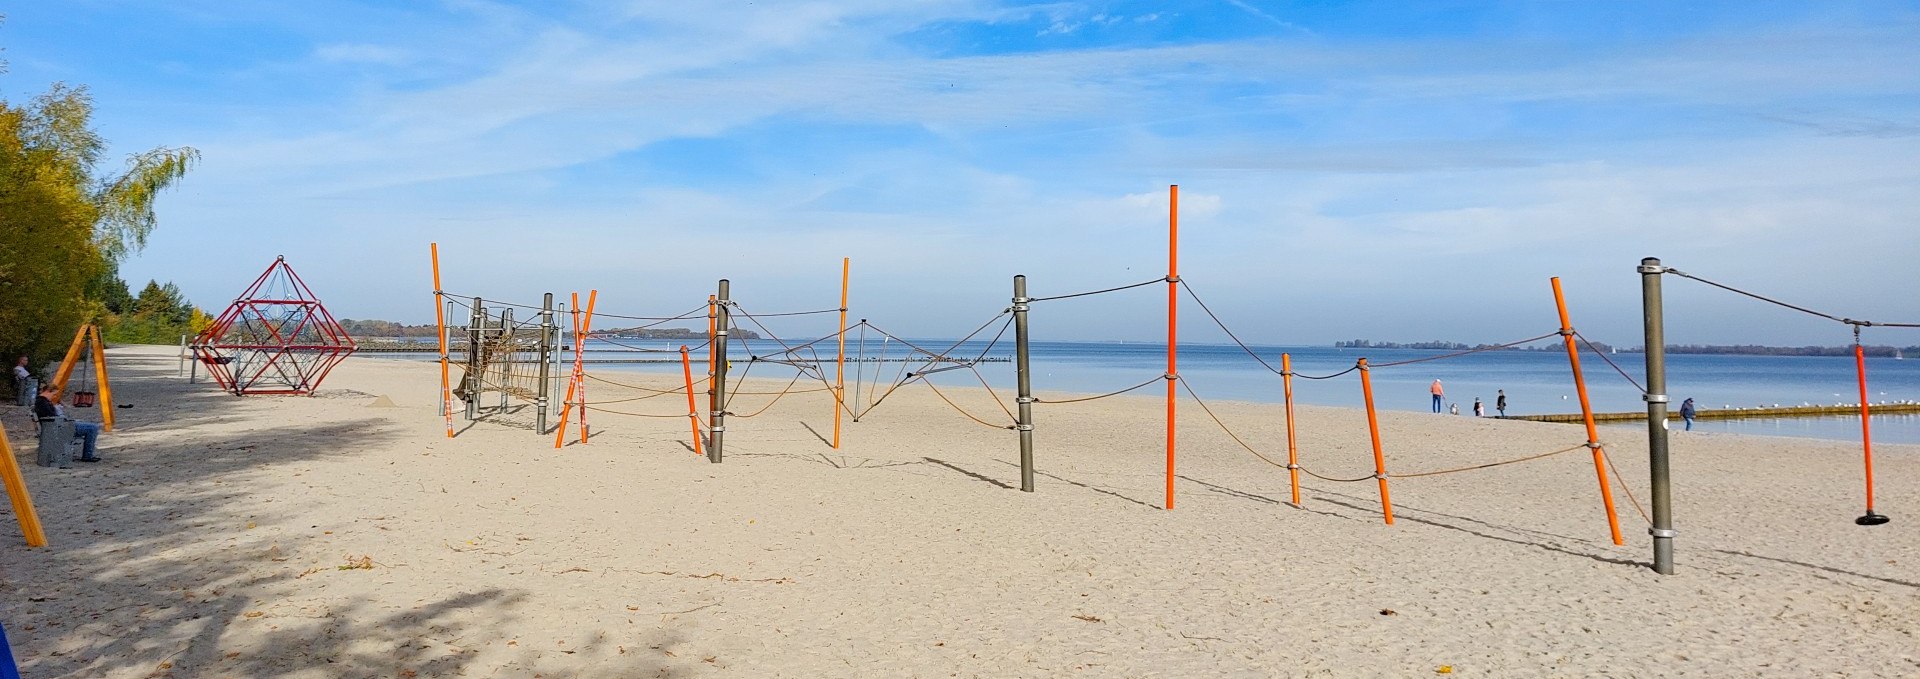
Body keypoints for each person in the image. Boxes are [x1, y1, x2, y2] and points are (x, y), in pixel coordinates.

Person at [33, 386, 101, 462]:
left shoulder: (41, 401)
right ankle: (87, 455)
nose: (54, 396)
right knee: (93, 428)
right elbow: (51, 417)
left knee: (89, 425)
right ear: (48, 391)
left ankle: (88, 455)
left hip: (56, 426)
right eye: (53, 394)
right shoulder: (43, 403)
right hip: (59, 427)